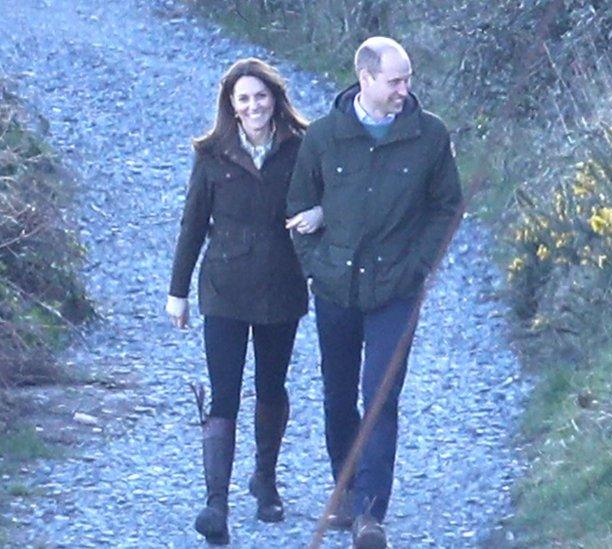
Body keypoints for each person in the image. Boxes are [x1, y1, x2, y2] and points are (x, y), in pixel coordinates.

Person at [286, 36, 463, 548]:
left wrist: (419, 266)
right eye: (395, 81)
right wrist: (316, 268)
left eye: (408, 79)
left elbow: (447, 207)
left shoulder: (428, 136)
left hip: (396, 291)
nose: (405, 90)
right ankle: (344, 486)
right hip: (336, 287)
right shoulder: (323, 137)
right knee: (338, 394)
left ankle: (370, 512)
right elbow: (298, 207)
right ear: (365, 79)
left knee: (381, 397)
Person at [166, 57, 310, 545]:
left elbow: (328, 201)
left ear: (275, 99)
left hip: (281, 286)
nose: (253, 105)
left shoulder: (300, 148)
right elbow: (192, 224)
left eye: (261, 96)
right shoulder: (212, 155)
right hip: (223, 289)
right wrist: (177, 292)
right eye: (243, 98)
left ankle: (265, 481)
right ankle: (216, 504)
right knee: (223, 392)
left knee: (272, 387)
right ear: (231, 105)